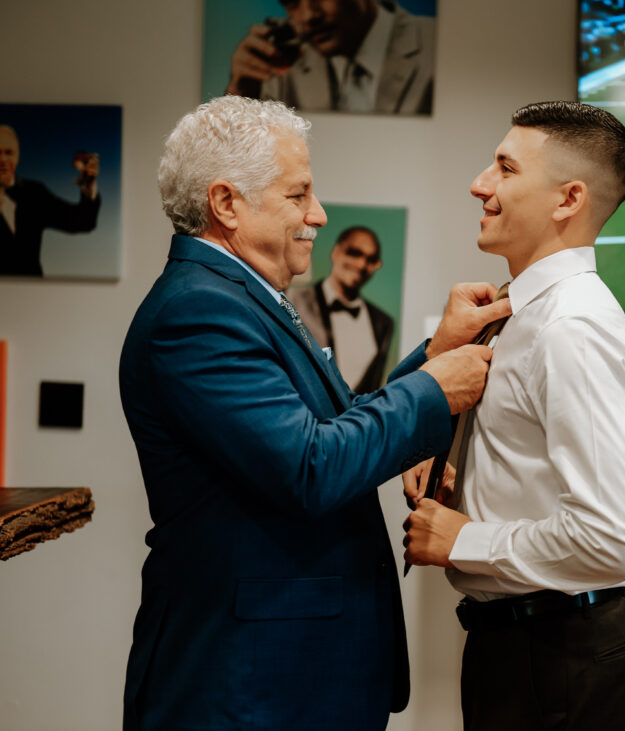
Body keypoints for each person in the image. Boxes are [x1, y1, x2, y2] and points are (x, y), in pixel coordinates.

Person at [119, 95, 510, 730]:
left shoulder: (239, 295)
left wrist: (438, 352)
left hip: (286, 674)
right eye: (299, 195)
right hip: (249, 682)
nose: (319, 215)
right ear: (226, 204)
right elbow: (312, 465)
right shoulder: (198, 313)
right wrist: (436, 391)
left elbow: (332, 423)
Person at [403, 101, 625, 731]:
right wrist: (448, 451)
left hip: (557, 660)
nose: (479, 184)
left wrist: (466, 539)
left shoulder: (571, 326)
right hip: (518, 649)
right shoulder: (520, 310)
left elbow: (617, 539)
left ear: (567, 199)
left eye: (505, 168)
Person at [226, 0, 435, 115]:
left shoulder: (437, 42)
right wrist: (240, 93)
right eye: (292, 2)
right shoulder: (281, 69)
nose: (309, 15)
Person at [287, 225, 393, 393]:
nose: (361, 264)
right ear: (336, 251)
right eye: (354, 253)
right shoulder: (293, 299)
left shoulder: (383, 323)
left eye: (371, 259)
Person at [0, 124, 100, 276]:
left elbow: (82, 221)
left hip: (35, 294)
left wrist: (88, 185)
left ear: (17, 156)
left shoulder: (34, 193)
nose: (3, 159)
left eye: (9, 152)